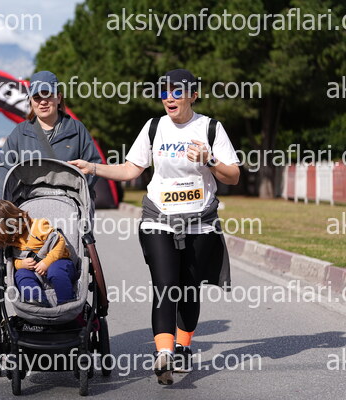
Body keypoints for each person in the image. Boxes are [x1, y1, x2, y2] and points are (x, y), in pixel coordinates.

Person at [70, 69, 240, 385]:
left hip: (200, 223)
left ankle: (183, 346)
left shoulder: (210, 128)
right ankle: (164, 354)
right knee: (165, 286)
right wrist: (92, 167)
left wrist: (210, 160)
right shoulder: (153, 128)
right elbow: (131, 169)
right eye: (164, 92)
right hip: (158, 219)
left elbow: (233, 175)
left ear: (193, 95)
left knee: (188, 288)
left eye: (177, 92)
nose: (169, 98)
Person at [0, 71, 101, 203]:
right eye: (37, 97)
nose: (43, 102)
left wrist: (77, 193)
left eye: (48, 95)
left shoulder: (77, 129)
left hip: (69, 206)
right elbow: (3, 167)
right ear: (31, 101)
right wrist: (6, 203)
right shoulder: (20, 133)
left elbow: (93, 164)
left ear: (59, 98)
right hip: (30, 207)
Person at [0, 199, 77, 306]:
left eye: (10, 237)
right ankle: (37, 300)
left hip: (59, 264)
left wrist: (47, 262)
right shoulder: (10, 240)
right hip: (34, 274)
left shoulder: (39, 226)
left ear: (15, 223)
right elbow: (13, 259)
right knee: (21, 275)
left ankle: (66, 303)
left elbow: (59, 241)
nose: (11, 241)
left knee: (56, 270)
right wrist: (21, 264)